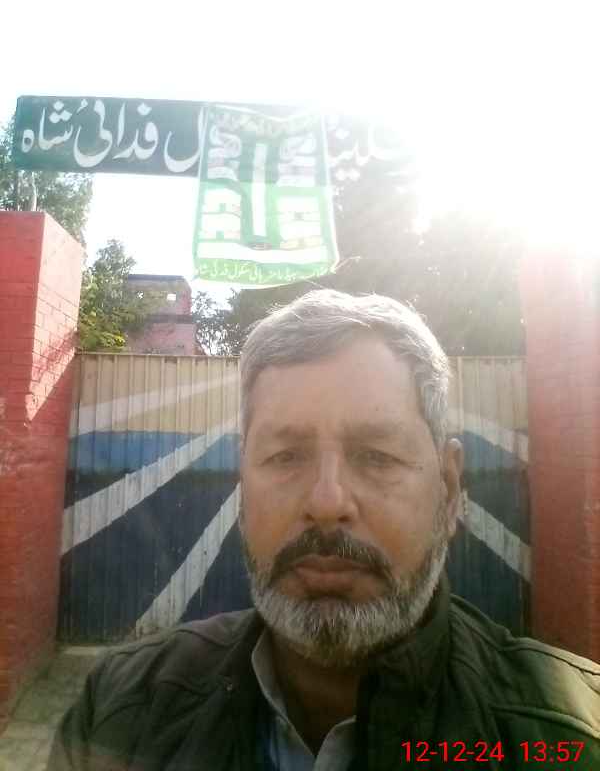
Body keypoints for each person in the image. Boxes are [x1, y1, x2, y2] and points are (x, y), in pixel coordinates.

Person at [48, 290, 600, 770]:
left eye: (377, 456)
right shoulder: (119, 713)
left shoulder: (570, 739)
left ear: (450, 488)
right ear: (243, 483)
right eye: (286, 456)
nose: (327, 503)